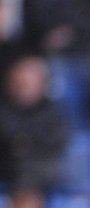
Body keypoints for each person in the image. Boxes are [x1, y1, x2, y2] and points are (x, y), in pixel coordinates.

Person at [0, 53, 70, 192]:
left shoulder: (54, 113)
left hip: (43, 179)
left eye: (27, 84)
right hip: (7, 173)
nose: (23, 88)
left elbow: (56, 147)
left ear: (41, 85)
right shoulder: (3, 110)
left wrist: (21, 144)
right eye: (19, 83)